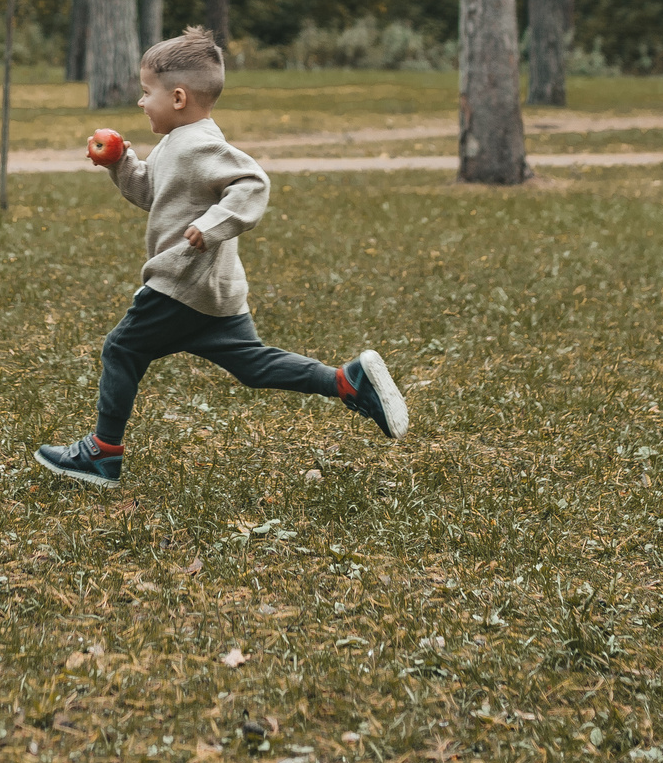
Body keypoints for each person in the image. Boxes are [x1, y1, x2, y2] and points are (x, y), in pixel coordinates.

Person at [34, 26, 410, 488]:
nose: (140, 102)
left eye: (146, 92)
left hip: (182, 282)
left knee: (122, 348)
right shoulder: (177, 141)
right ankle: (348, 382)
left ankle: (102, 452)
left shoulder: (199, 144)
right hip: (212, 290)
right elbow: (153, 193)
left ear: (178, 98)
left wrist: (212, 225)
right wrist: (122, 165)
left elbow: (252, 182)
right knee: (252, 365)